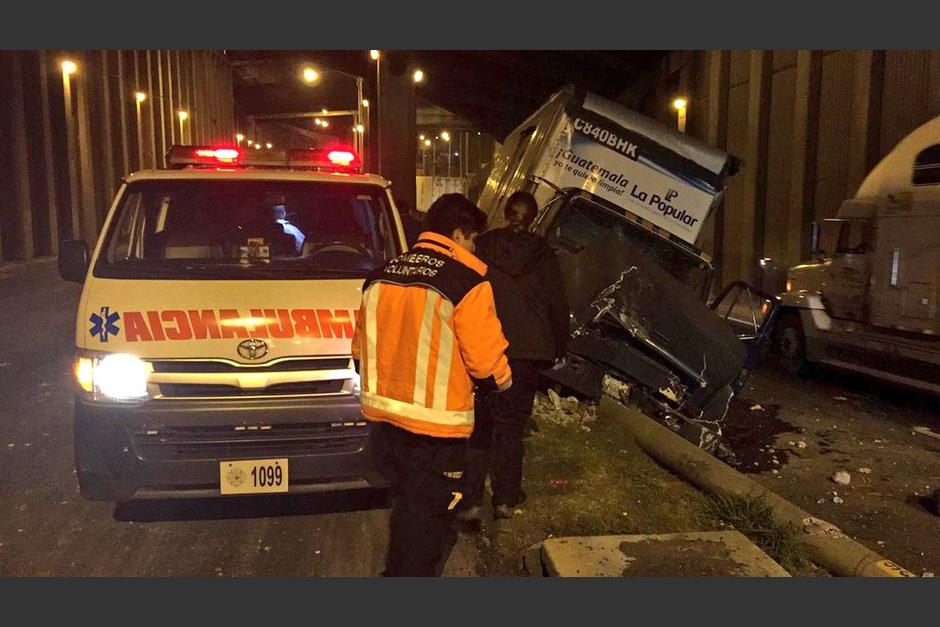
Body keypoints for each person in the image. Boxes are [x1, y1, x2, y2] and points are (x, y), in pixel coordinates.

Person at [351, 193, 512, 576]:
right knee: (426, 524)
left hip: (385, 423)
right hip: (436, 430)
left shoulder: (381, 276)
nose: (474, 248)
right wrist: (506, 382)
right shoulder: (466, 283)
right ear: (459, 234)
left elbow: (359, 352)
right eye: (473, 239)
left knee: (407, 506)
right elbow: (488, 368)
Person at [456, 191, 569, 523]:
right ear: (532, 218)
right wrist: (559, 348)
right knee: (511, 427)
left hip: (487, 345)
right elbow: (557, 304)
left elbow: (465, 290)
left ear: (507, 213)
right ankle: (505, 499)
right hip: (527, 352)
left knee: (479, 425)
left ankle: (470, 500)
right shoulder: (543, 253)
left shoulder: (483, 246)